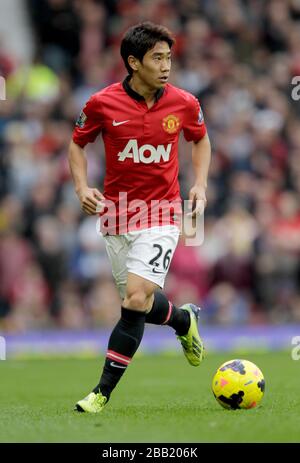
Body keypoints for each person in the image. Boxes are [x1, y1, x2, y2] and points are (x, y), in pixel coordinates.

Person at [68, 21, 211, 413]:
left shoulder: (184, 102)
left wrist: (198, 183)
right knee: (141, 304)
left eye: (169, 57)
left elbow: (199, 139)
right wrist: (82, 188)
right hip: (117, 214)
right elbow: (77, 145)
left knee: (134, 298)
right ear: (133, 62)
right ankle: (183, 321)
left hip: (163, 212)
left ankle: (100, 393)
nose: (166, 65)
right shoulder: (101, 103)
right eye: (157, 58)